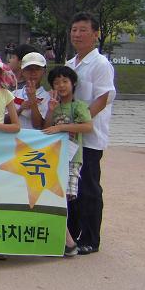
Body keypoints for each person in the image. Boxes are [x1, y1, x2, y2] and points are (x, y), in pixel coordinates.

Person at [66, 11, 116, 255]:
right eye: (74, 29)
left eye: (83, 30)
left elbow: (103, 98)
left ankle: (91, 238)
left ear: (95, 34)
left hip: (90, 137)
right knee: (71, 187)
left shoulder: (101, 64)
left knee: (89, 187)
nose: (77, 34)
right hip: (70, 137)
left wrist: (79, 121)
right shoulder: (70, 64)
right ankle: (72, 235)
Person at [43, 65, 94, 257]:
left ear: (73, 83)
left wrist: (61, 128)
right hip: (54, 159)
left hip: (72, 159)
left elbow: (88, 127)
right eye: (57, 82)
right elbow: (45, 128)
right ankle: (66, 241)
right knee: (54, 197)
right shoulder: (53, 106)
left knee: (64, 198)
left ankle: (67, 241)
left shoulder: (78, 106)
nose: (61, 85)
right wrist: (50, 111)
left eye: (65, 81)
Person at [14, 52, 49, 129]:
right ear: (22, 71)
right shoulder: (14, 94)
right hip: (14, 139)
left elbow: (38, 125)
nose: (33, 73)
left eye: (37, 69)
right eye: (29, 69)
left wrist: (32, 100)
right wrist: (21, 109)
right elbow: (5, 121)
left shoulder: (48, 97)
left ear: (44, 72)